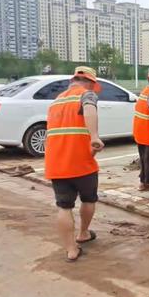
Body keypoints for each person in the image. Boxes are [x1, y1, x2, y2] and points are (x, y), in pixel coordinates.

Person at [44, 66, 105, 262]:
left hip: (56, 163)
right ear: (90, 83)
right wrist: (94, 137)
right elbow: (89, 109)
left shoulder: (56, 101)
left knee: (64, 207)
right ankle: (83, 233)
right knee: (88, 199)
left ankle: (71, 249)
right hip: (81, 161)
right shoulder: (86, 95)